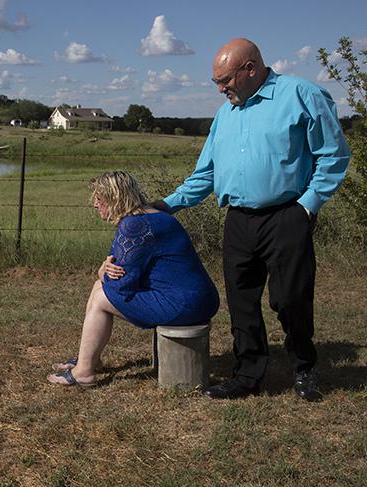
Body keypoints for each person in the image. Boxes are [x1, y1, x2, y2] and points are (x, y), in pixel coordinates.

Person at [152, 37, 351, 401]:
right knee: (241, 303)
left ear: (250, 69)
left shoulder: (301, 95)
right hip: (239, 221)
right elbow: (206, 174)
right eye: (216, 82)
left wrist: (306, 207)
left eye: (224, 80)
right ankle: (247, 376)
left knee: (290, 299)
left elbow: (333, 156)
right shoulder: (226, 115)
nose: (221, 89)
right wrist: (167, 204)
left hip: (287, 216)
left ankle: (304, 367)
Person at [47, 171, 219, 387]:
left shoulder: (135, 226)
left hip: (184, 305)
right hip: (198, 298)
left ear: (115, 198)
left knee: (101, 296)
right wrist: (106, 274)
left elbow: (121, 283)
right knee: (98, 287)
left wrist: (102, 271)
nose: (94, 204)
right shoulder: (153, 215)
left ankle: (84, 372)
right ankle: (90, 360)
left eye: (99, 199)